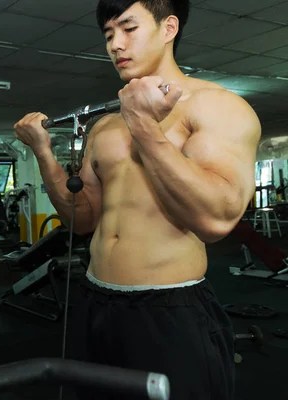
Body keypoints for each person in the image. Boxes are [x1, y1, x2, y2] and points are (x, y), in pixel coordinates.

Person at [13, 0, 261, 399]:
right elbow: (83, 219)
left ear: (168, 28)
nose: (115, 44)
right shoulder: (106, 125)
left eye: (128, 28)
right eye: (108, 34)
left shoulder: (217, 107)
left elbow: (216, 220)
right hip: (95, 300)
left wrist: (144, 125)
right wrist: (43, 153)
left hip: (170, 310)